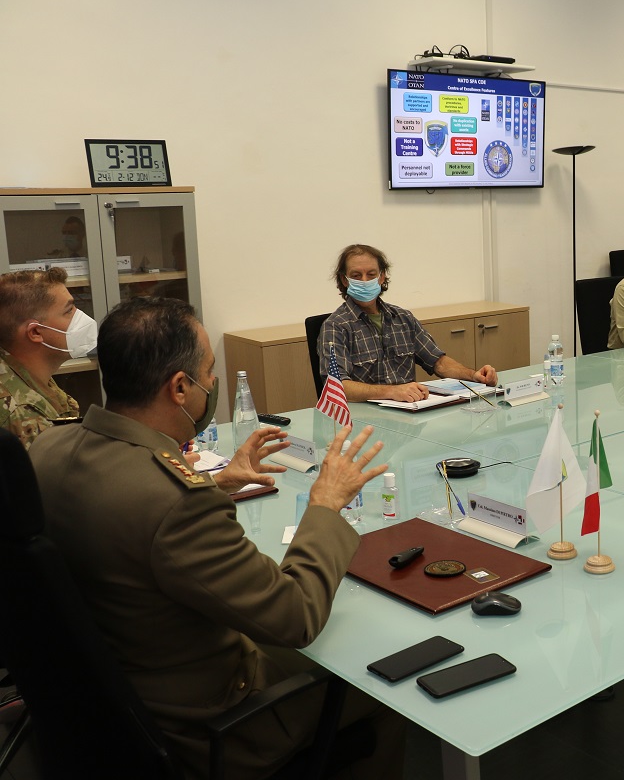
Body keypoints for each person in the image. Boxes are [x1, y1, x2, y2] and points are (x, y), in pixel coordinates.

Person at [29, 296, 405, 778]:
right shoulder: (176, 502)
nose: (213, 382)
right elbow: (296, 617)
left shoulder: (48, 448)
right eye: (208, 372)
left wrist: (215, 482)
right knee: (384, 685)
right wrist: (325, 505)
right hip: (206, 727)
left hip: (101, 703)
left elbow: (131, 509)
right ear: (179, 388)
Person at [319, 244, 498, 403]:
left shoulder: (402, 318)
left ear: (382, 277)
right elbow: (337, 386)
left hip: (409, 411)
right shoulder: (335, 326)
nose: (364, 281)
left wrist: (473, 375)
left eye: (371, 274)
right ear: (345, 280)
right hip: (364, 419)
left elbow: (438, 362)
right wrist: (392, 392)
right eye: (356, 275)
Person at [0, 268, 86, 447]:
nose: (80, 317)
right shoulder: (21, 413)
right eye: (69, 310)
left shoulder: (29, 377)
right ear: (35, 332)